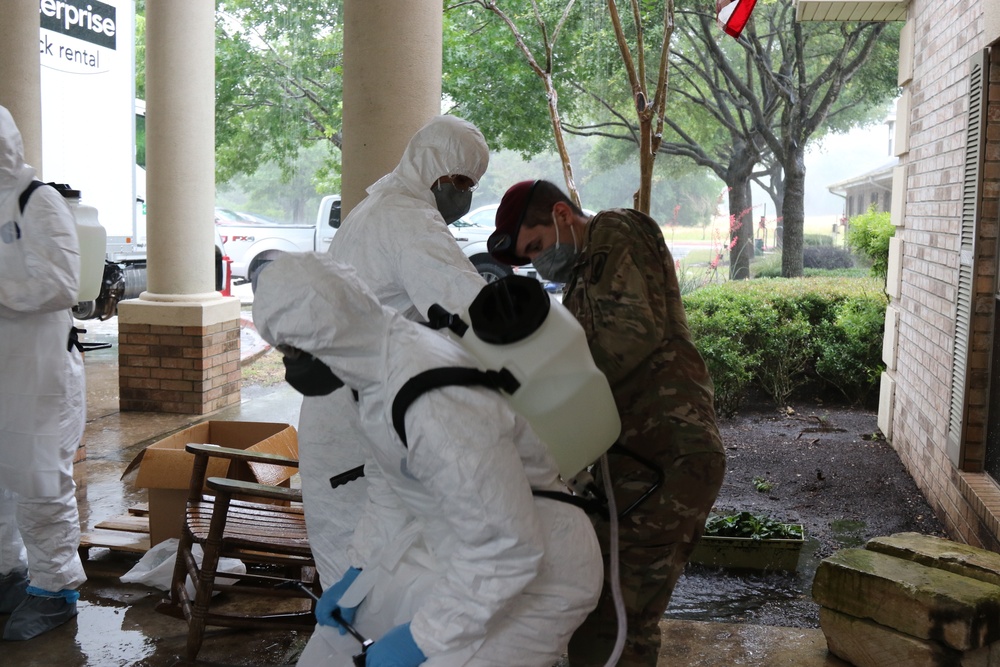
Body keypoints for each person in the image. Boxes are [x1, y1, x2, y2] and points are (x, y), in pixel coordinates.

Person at [254, 253, 603, 667]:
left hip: (543, 573)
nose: (290, 364)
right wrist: (357, 575)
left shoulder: (433, 402)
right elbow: (390, 484)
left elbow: (507, 547)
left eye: (291, 350)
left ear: (324, 334)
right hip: (466, 549)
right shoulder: (373, 371)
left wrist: (421, 640)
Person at [487, 179, 727, 667]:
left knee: (619, 622)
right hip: (636, 462)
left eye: (536, 246)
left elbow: (629, 336)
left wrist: (539, 396)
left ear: (559, 213)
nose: (538, 262)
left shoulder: (616, 229)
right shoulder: (581, 276)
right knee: (600, 610)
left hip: (669, 453)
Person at [289, 114, 490, 588]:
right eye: (460, 181)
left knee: (367, 571)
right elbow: (472, 311)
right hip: (355, 424)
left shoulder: (374, 208)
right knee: (372, 576)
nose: (465, 195)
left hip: (347, 414)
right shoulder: (407, 220)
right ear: (432, 169)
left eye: (472, 184)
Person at [0, 105, 87, 640]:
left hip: (42, 370)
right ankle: (9, 572)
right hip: (5, 367)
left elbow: (61, 284)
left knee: (38, 479)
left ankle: (55, 590)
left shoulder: (39, 200)